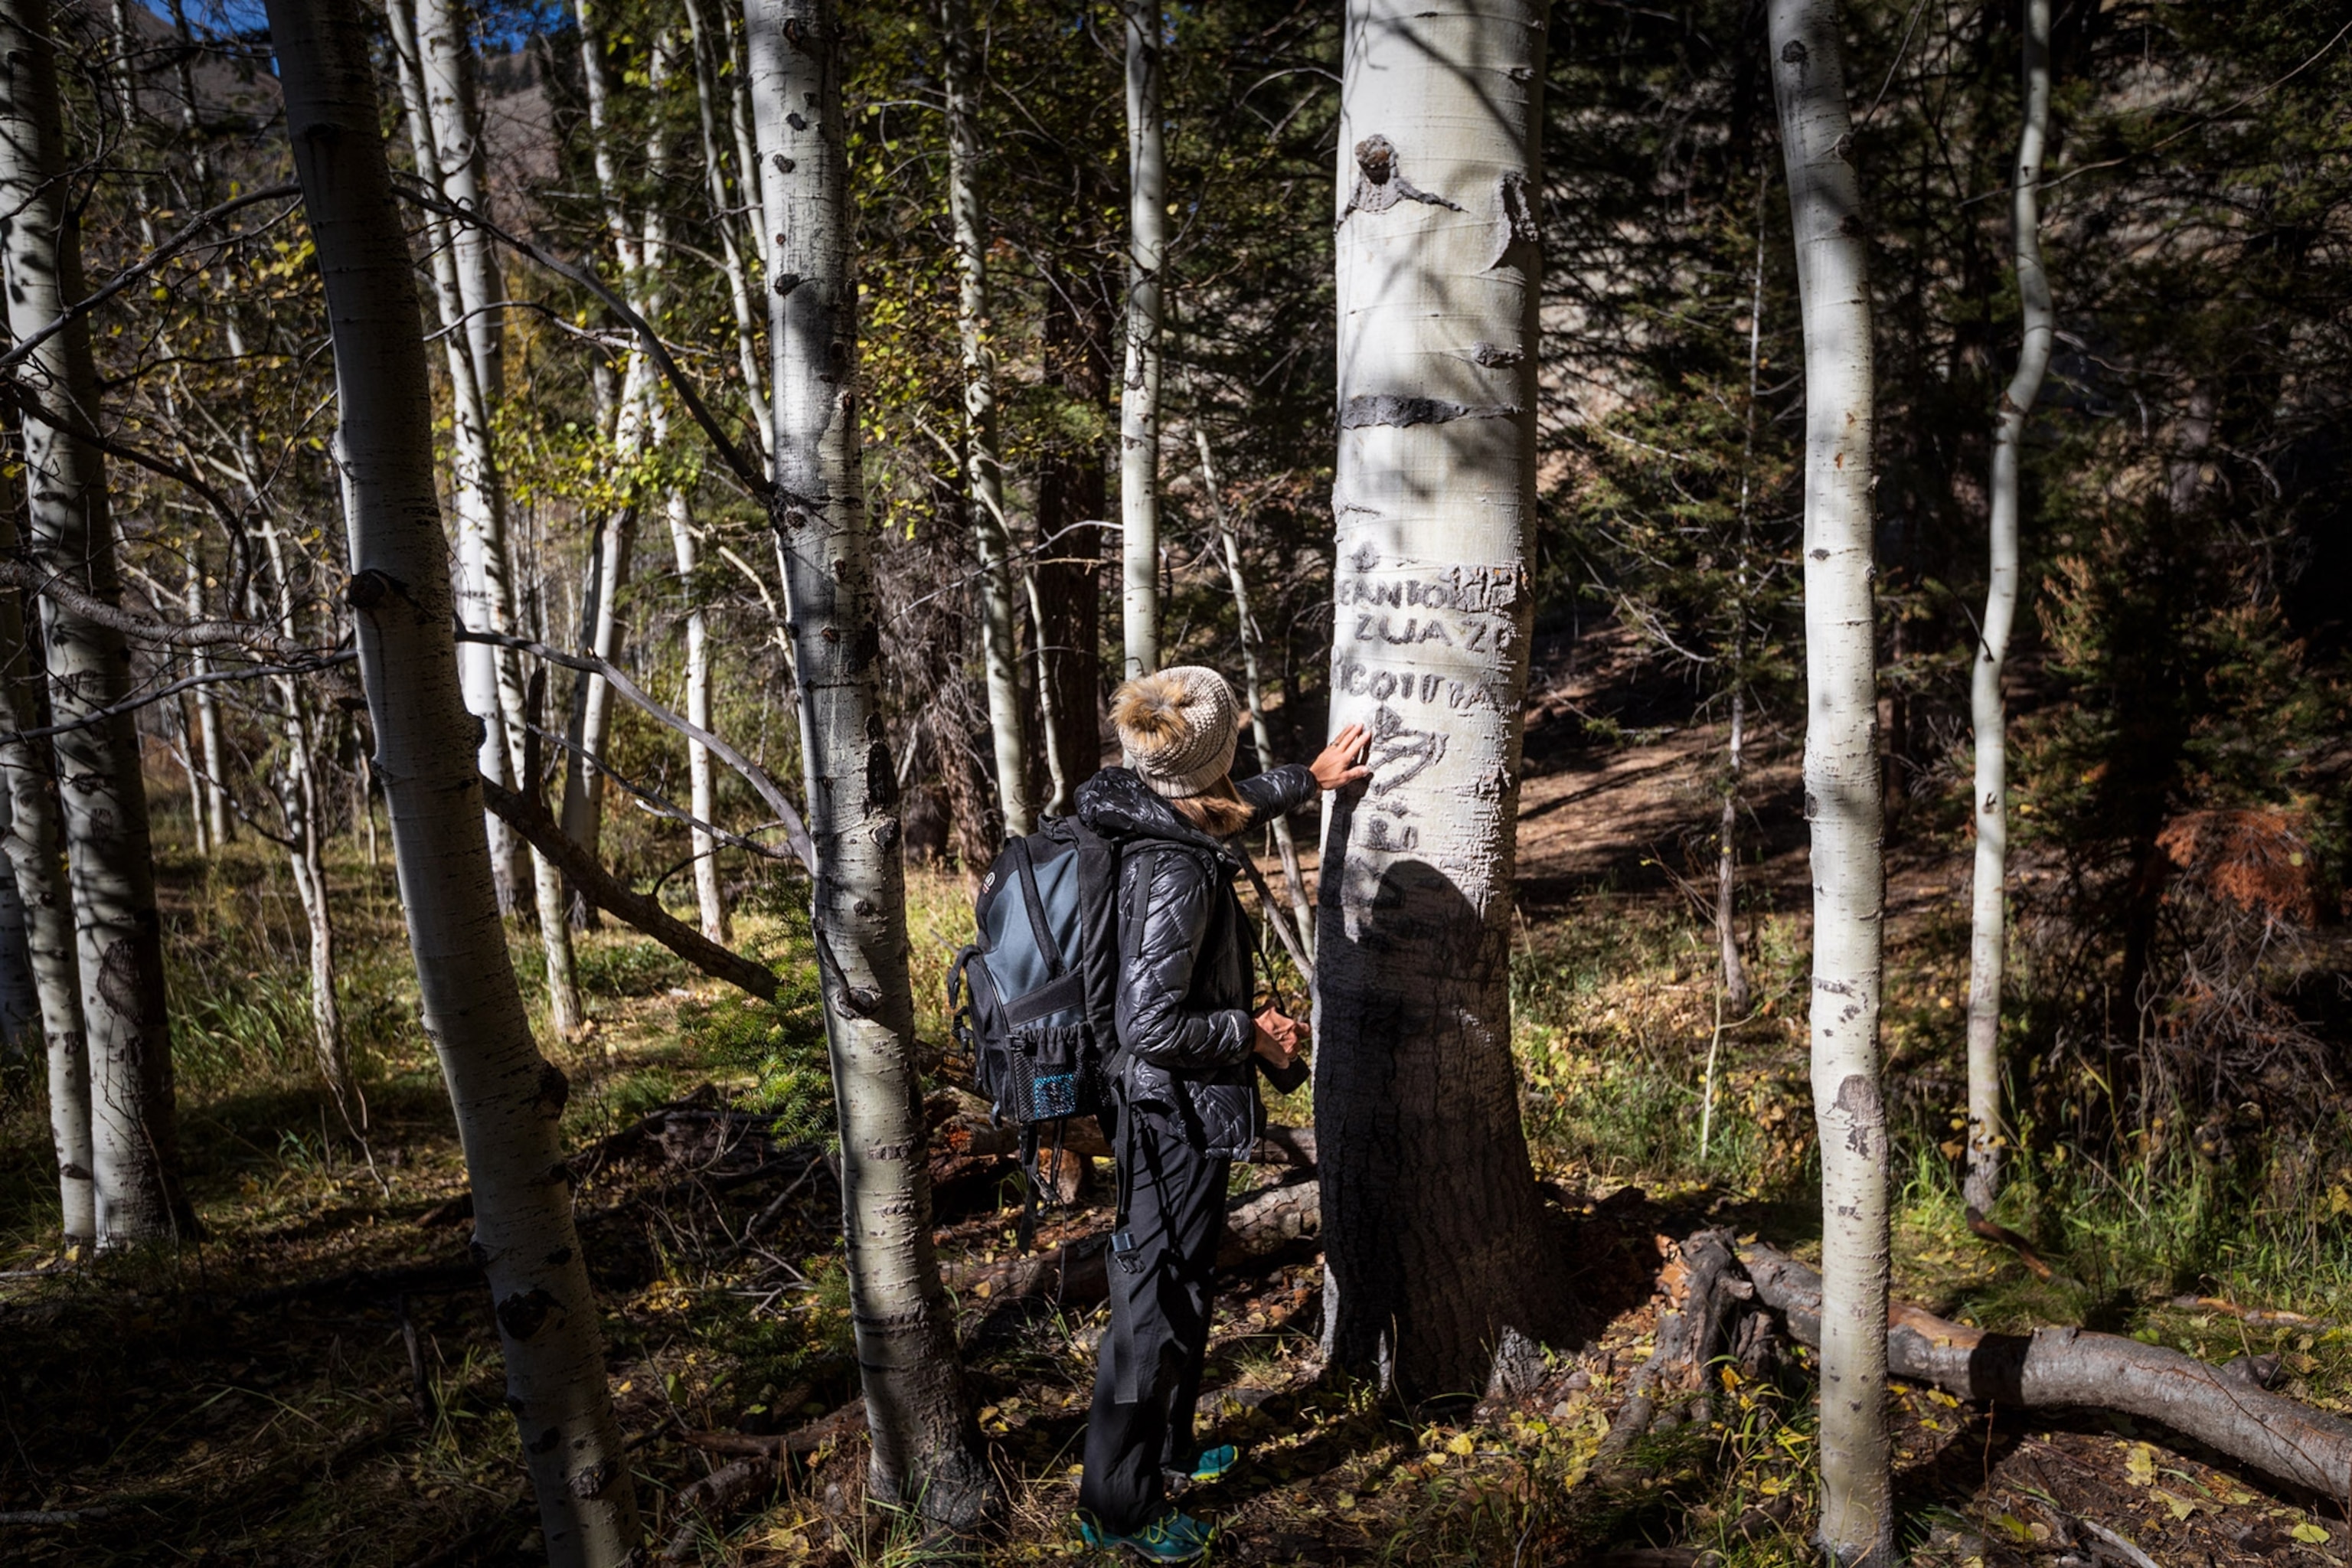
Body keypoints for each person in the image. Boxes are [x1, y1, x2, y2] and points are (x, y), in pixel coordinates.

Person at [1073, 665, 1371, 1562]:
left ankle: (1168, 1448)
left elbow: (1226, 803)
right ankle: (1116, 1507)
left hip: (1173, 1108)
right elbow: (1150, 1020)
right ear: (1215, 755)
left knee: (1184, 1281)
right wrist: (1249, 1027)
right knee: (1149, 1304)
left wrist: (1307, 781)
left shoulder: (1143, 801)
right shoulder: (1176, 868)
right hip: (1163, 1111)